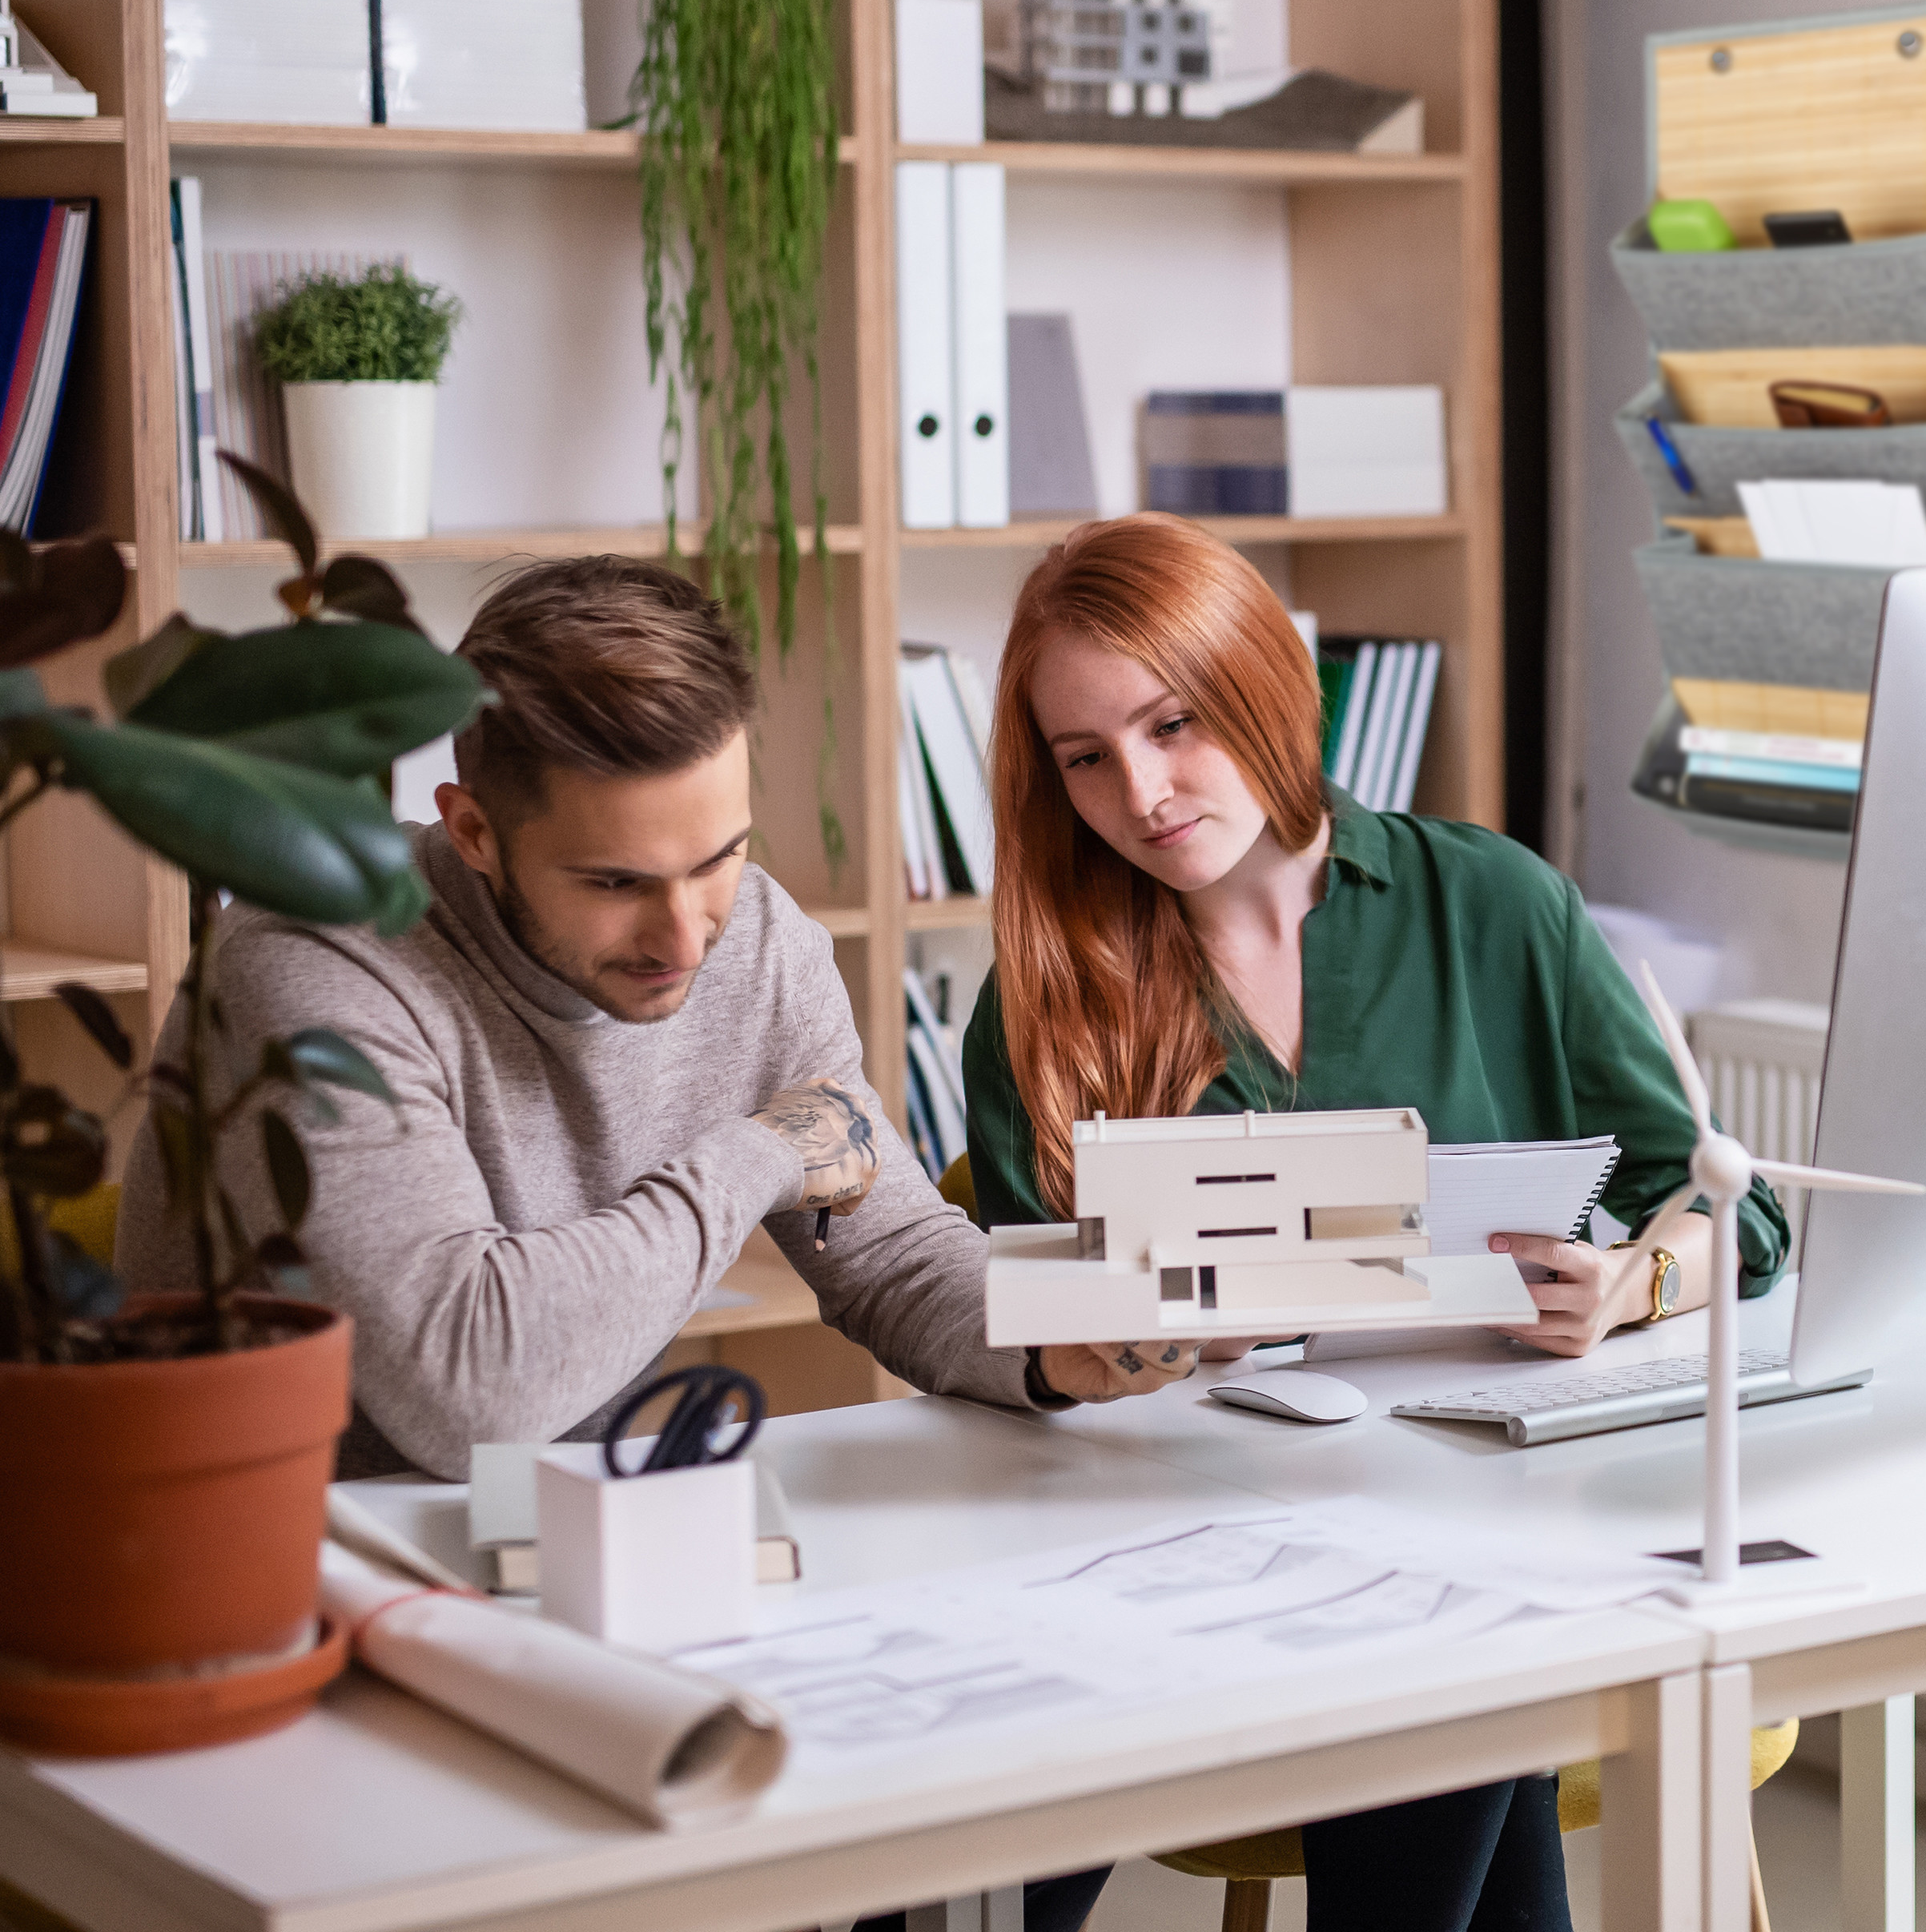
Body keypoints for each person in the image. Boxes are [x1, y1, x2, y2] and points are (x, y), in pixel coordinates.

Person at [962, 513, 1789, 1932]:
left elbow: (1735, 1208)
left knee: (1449, 1647)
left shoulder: (1492, 903)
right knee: (1445, 1675)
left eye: (1173, 723)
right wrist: (1125, 1339)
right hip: (1166, 1557)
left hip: (1467, 1517)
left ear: (1267, 684)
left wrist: (1632, 1284)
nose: (1143, 791)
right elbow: (1019, 1331)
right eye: (1084, 758)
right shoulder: (1042, 993)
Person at [113, 557, 1168, 1491]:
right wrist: (759, 1157)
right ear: (474, 831)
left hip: (571, 1542)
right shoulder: (318, 961)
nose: (686, 934)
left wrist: (1047, 1343)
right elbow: (470, 1395)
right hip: (273, 1555)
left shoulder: (756, 940)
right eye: (617, 881)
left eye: (718, 859)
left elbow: (885, 1252)